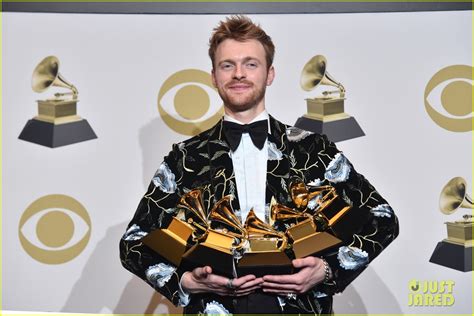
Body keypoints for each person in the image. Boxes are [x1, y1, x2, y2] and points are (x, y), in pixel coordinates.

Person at [120, 15, 399, 315]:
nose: (239, 74)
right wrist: (185, 282)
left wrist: (328, 270)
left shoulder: (313, 149)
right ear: (214, 77)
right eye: (228, 65)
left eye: (251, 64)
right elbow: (134, 243)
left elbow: (382, 219)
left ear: (270, 74)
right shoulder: (185, 158)